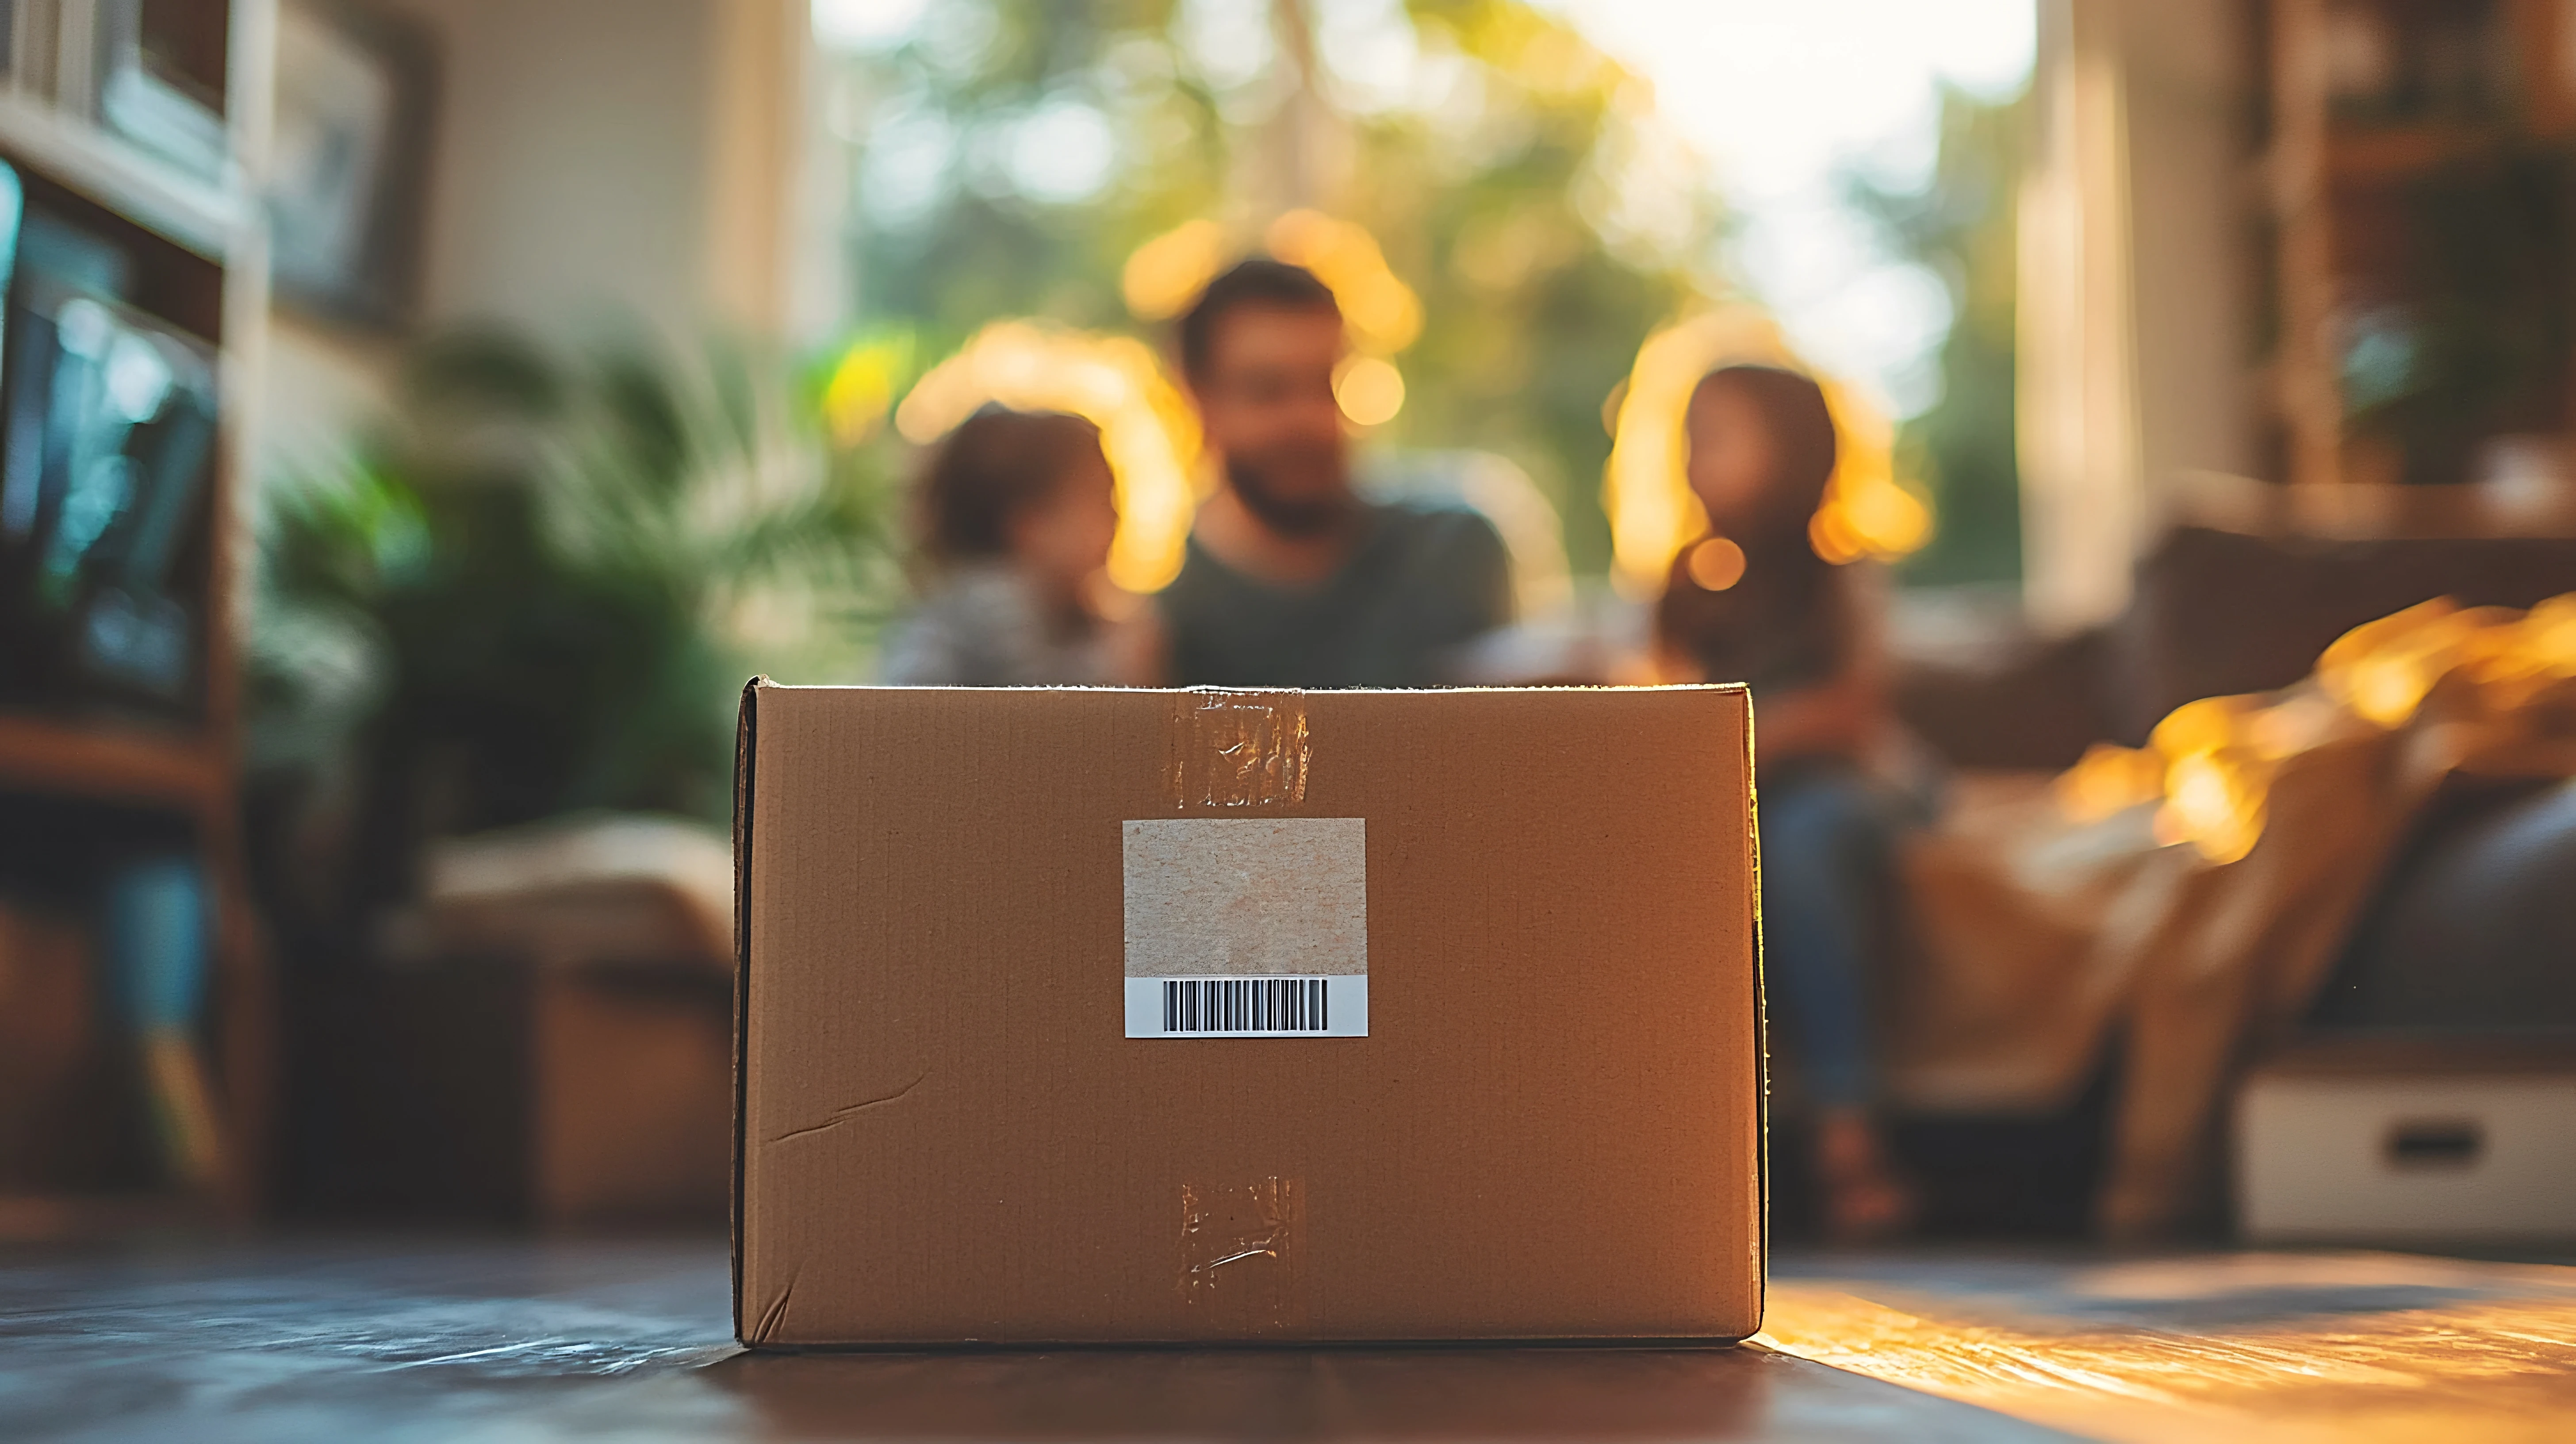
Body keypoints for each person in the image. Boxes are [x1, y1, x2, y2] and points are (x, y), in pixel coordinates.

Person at [1653, 363, 1915, 1244]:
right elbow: (1663, 708)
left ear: (1794, 454)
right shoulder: (1683, 584)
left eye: (1719, 440)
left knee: (1798, 849)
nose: (1695, 462)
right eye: (1689, 442)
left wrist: (1736, 735)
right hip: (1748, 793)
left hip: (1856, 785)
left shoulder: (1838, 575)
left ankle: (1849, 1137)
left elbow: (1851, 712)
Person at [1159, 259, 1512, 688]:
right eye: (1268, 391)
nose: (1311, 420)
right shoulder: (1163, 620)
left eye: (1328, 384)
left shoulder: (1452, 548)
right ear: (1197, 400)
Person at [878, 404, 1155, 687]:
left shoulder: (1060, 608)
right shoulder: (996, 597)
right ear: (1030, 526)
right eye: (1099, 498)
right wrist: (1120, 660)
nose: (1117, 516)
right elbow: (1037, 705)